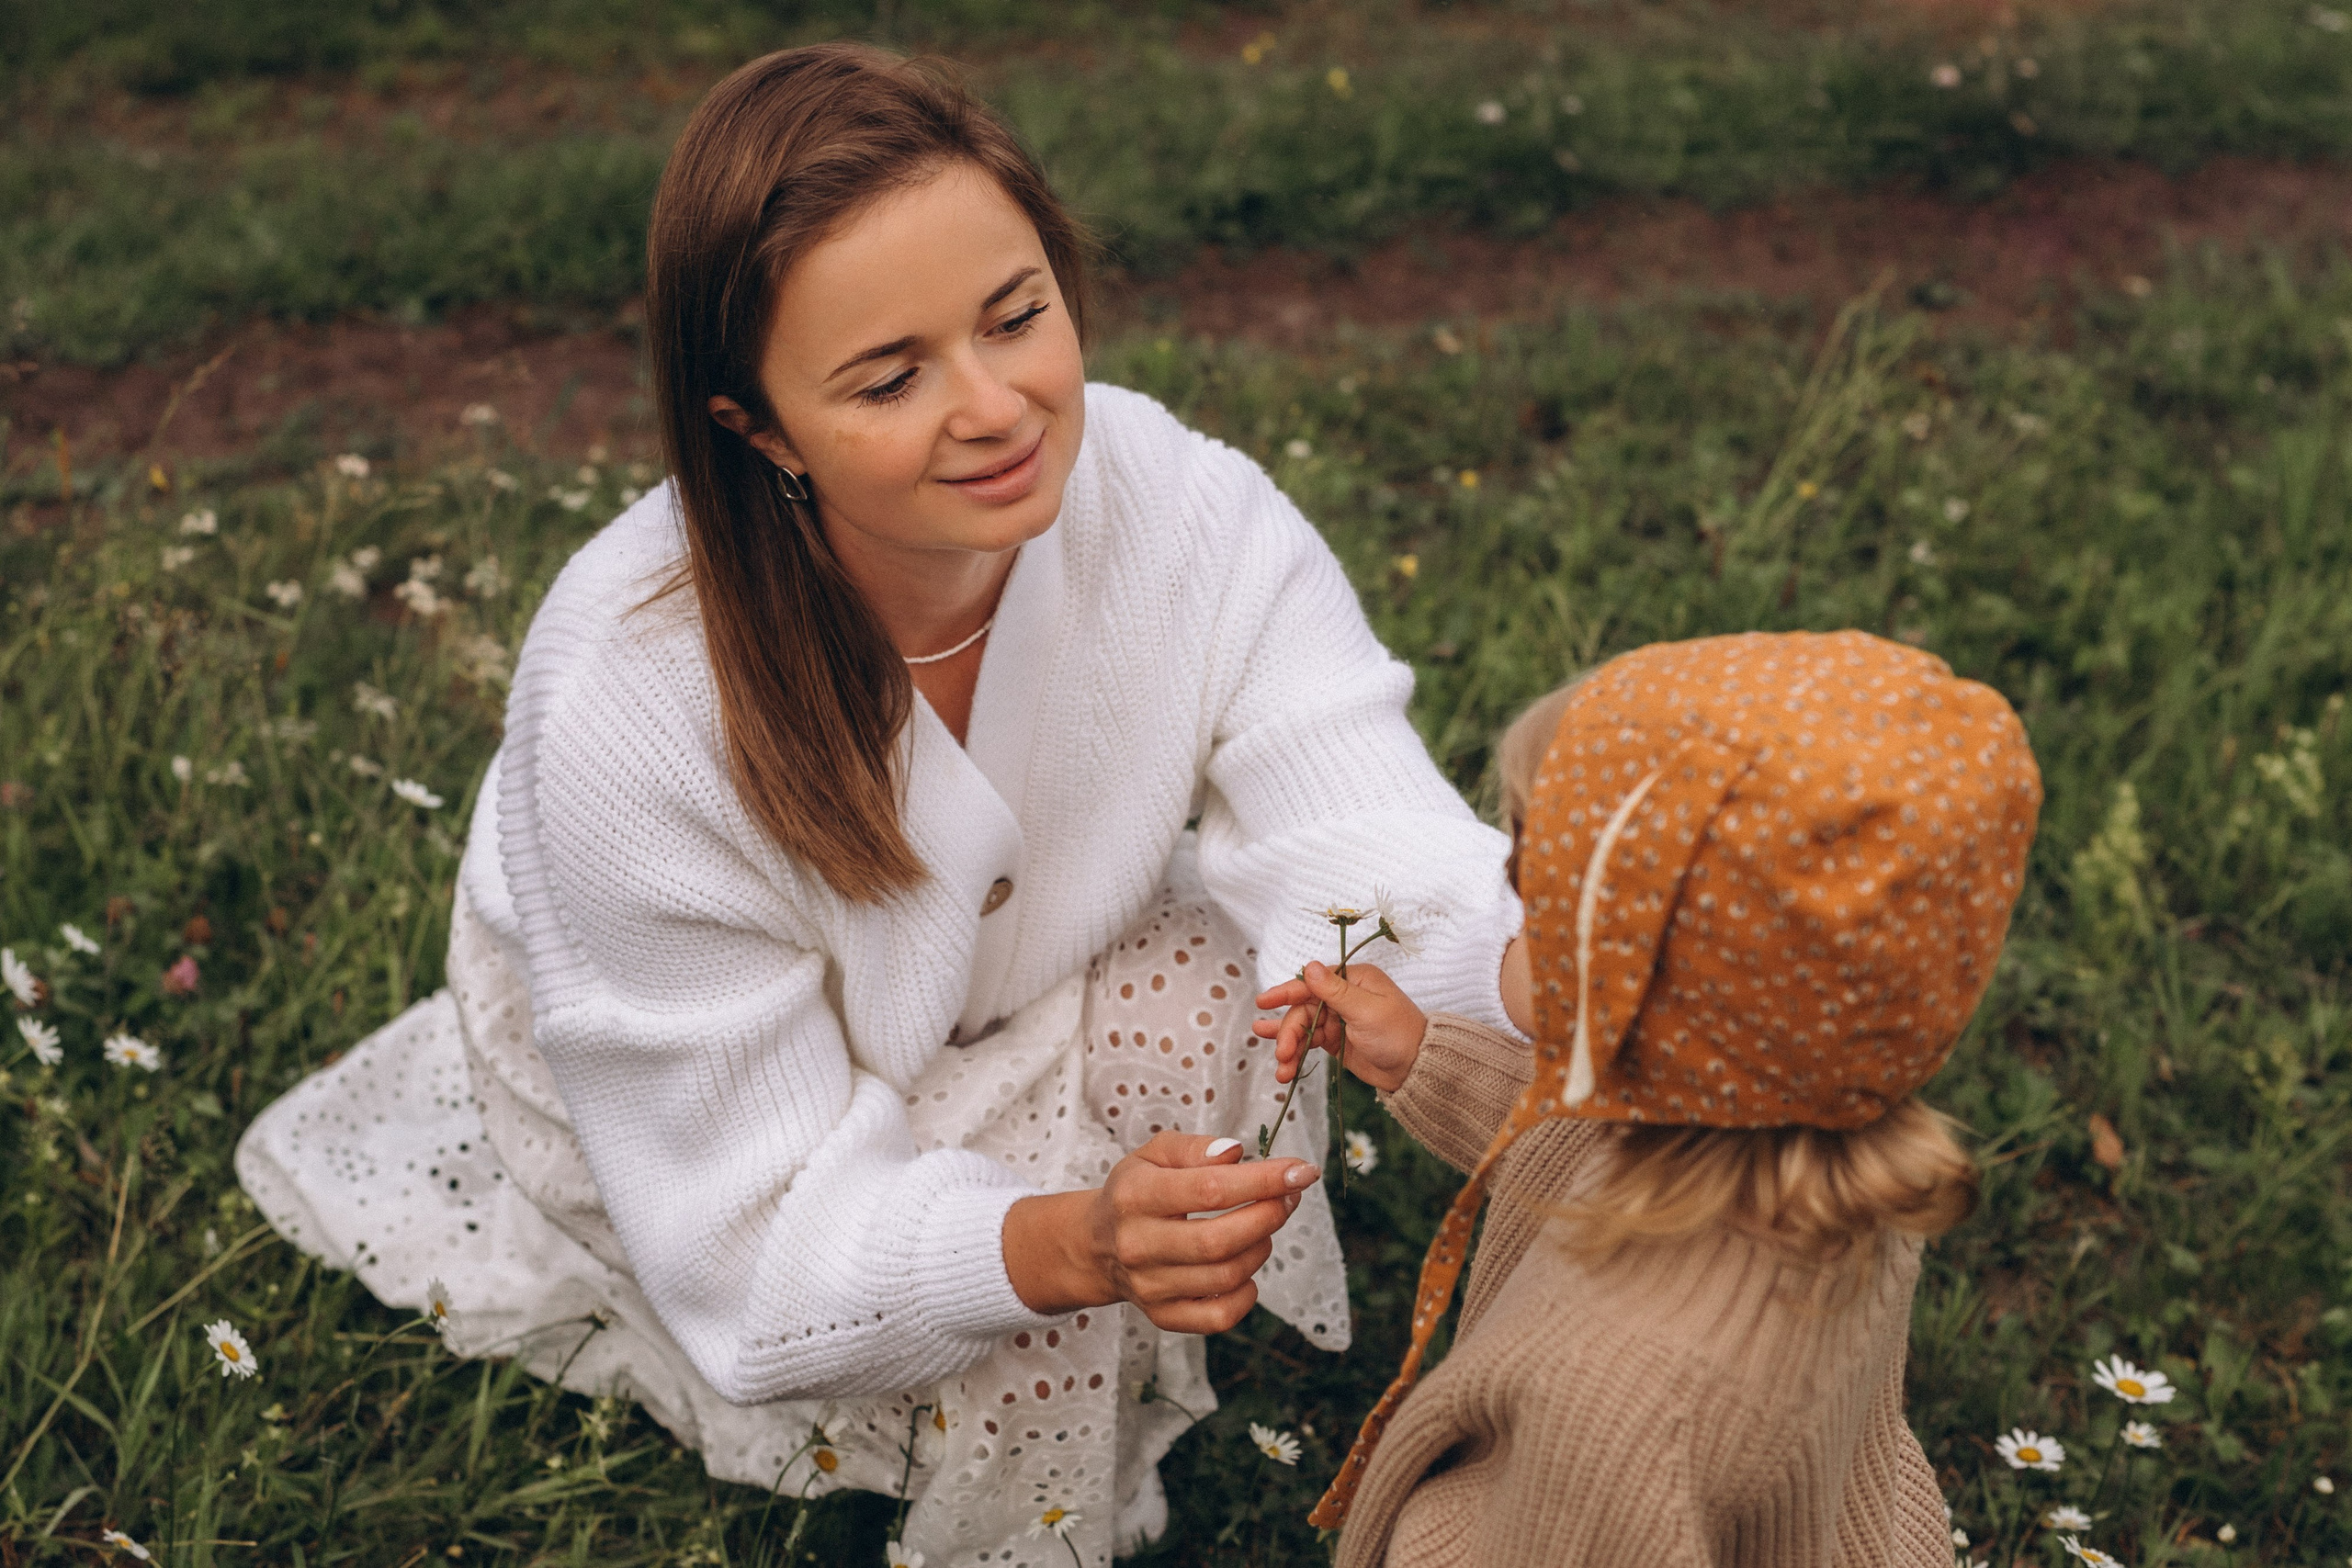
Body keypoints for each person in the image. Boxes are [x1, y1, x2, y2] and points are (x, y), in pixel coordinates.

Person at [235, 42, 1524, 1566]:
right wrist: (1069, 1241)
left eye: (1017, 315)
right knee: (891, 1299)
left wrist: (1564, 978)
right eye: (891, 375)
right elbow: (756, 1229)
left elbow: (1366, 837)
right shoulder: (629, 711)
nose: (997, 406)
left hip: (1004, 988)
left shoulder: (1183, 505)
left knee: (1215, 964)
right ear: (758, 429)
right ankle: (931, 1454)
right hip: (710, 1115)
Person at [1252, 629, 2044, 1568]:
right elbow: (1598, 1157)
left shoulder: (1613, 1404)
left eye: (1533, 901)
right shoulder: (1837, 1160)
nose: (1507, 923)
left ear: (1657, 998)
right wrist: (1427, 1057)